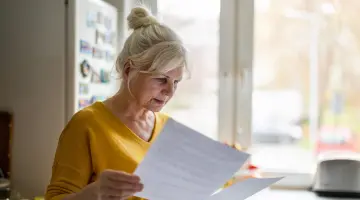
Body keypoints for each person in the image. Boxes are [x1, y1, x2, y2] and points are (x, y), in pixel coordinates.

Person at [45, 6, 188, 200]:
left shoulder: (168, 128)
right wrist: (93, 194)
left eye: (176, 82)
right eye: (161, 79)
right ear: (129, 69)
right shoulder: (87, 124)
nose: (170, 91)